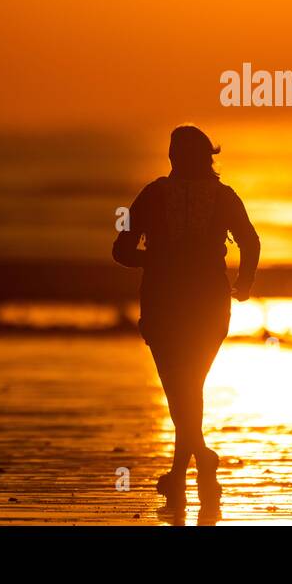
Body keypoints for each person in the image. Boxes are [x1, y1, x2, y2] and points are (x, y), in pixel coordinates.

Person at [113, 125, 260, 510]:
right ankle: (195, 465)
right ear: (207, 158)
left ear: (174, 157)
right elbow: (250, 240)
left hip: (163, 302)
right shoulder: (224, 197)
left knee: (180, 388)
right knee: (189, 386)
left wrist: (156, 258)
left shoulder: (151, 195)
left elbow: (121, 250)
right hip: (210, 303)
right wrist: (243, 284)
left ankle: (190, 467)